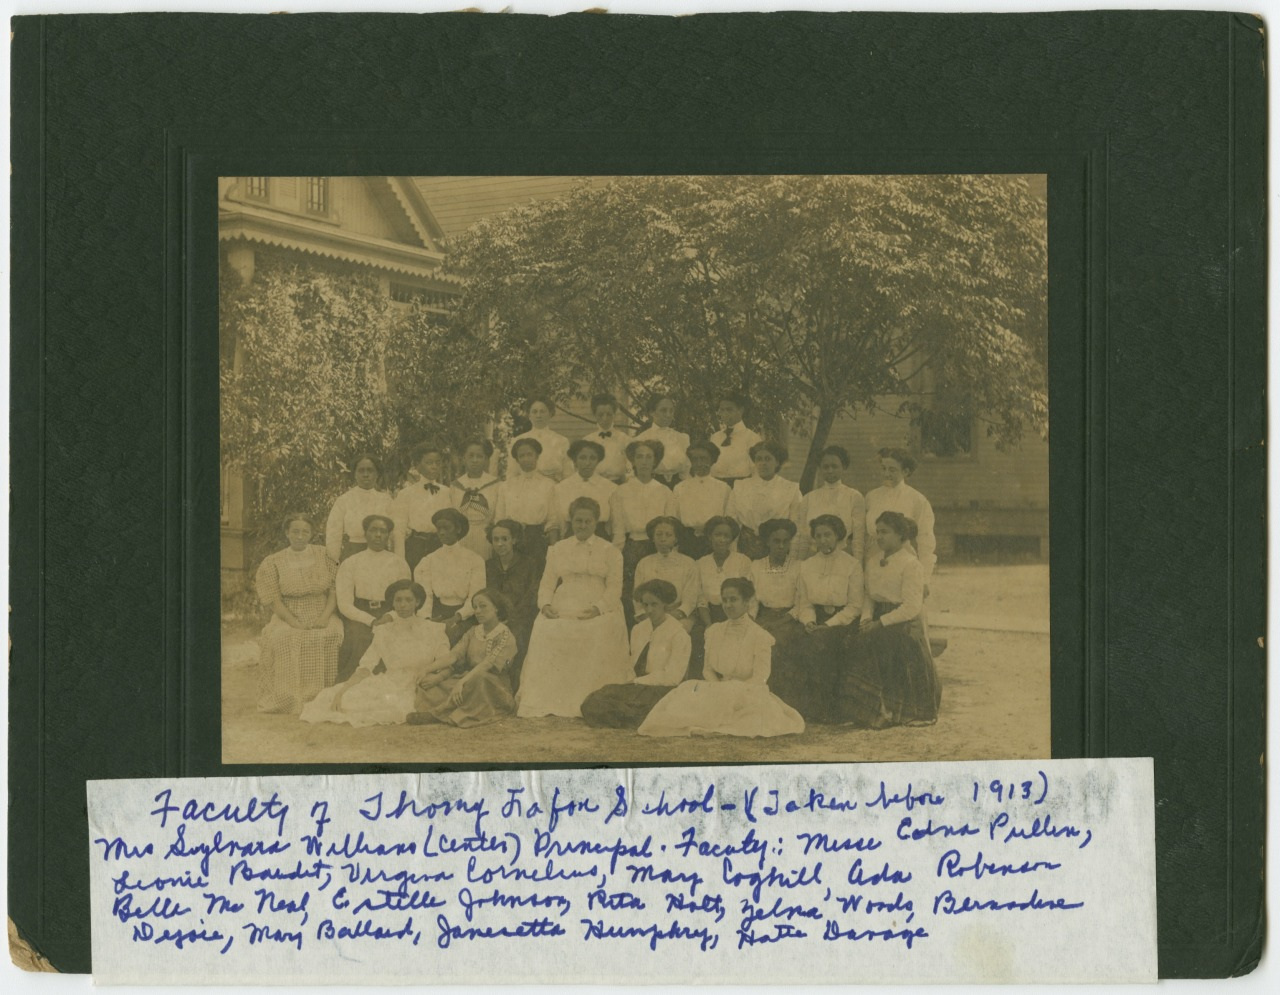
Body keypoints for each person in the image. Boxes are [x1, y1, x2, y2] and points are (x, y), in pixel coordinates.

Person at [637, 578, 804, 738]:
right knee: (685, 693)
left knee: (753, 720)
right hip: (717, 690)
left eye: (733, 600)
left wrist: (732, 693)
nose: (728, 605)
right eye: (724, 600)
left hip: (748, 694)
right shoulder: (714, 631)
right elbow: (707, 670)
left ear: (746, 603)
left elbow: (760, 677)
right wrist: (719, 691)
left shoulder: (760, 636)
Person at [516, 497, 632, 718]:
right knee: (545, 628)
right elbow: (547, 583)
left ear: (596, 522)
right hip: (565, 601)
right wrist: (546, 605)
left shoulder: (610, 551)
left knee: (600, 629)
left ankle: (590, 698)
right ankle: (552, 698)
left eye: (588, 521)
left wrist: (599, 608)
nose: (582, 526)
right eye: (578, 521)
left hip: (598, 604)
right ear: (571, 521)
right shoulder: (558, 548)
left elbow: (615, 588)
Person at [835, 511, 941, 727]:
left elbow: (912, 606)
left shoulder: (911, 564)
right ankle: (865, 710)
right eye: (877, 532)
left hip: (902, 623)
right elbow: (869, 596)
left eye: (885, 532)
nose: (879, 537)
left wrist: (880, 623)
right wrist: (866, 619)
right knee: (854, 641)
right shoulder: (873, 562)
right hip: (877, 618)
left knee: (883, 644)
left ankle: (901, 711)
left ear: (901, 535)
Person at [300, 580, 451, 727]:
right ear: (392, 603)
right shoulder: (383, 631)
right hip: (391, 683)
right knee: (338, 699)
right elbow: (366, 666)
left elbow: (447, 661)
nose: (403, 605)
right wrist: (343, 690)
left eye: (408, 600)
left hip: (420, 685)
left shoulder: (434, 629)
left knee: (390, 708)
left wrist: (436, 677)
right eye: (398, 600)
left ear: (417, 602)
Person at [770, 515, 864, 723]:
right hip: (814, 619)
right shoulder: (807, 565)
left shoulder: (852, 565)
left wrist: (828, 625)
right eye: (819, 536)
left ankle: (829, 709)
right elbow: (805, 603)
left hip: (843, 621)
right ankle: (798, 707)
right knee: (787, 642)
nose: (823, 540)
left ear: (838, 536)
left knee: (822, 645)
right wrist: (810, 622)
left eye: (828, 535)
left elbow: (855, 606)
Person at [254, 514, 344, 714]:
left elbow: (334, 591)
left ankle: (322, 696)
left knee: (332, 635)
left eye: (305, 532)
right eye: (295, 531)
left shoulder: (325, 556)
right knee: (284, 638)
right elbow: (274, 600)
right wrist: (293, 621)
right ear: (287, 533)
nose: (300, 536)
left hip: (322, 611)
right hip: (288, 614)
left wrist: (324, 617)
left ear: (312, 534)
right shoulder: (274, 562)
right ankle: (289, 698)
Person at [581, 580, 692, 729]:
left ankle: (638, 717)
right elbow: (631, 664)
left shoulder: (678, 634)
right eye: (645, 605)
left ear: (665, 605)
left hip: (660, 689)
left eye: (654, 604)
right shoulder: (639, 629)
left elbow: (673, 677)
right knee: (593, 700)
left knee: (641, 706)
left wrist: (639, 682)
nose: (649, 610)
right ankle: (635, 718)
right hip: (636, 688)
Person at [413, 589, 519, 727]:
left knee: (479, 679)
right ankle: (449, 710)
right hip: (470, 679)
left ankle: (438, 713)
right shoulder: (473, 631)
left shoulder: (505, 635)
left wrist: (462, 682)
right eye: (475, 607)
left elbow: (487, 665)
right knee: (432, 683)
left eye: (483, 606)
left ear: (496, 608)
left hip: (492, 685)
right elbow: (453, 656)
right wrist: (427, 669)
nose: (478, 611)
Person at [333, 514, 410, 680]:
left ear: (388, 535)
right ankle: (352, 688)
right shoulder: (351, 563)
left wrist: (390, 616)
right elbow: (344, 604)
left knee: (394, 639)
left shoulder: (399, 563)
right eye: (373, 530)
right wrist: (371, 621)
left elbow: (406, 598)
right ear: (365, 534)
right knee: (359, 638)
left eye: (383, 531)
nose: (378, 535)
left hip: (391, 613)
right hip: (359, 615)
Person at [611, 439, 676, 620]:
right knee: (633, 595)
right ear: (633, 461)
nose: (644, 461)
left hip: (658, 547)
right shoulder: (621, 491)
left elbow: (670, 527)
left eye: (649, 457)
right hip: (632, 548)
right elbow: (618, 530)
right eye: (640, 457)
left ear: (655, 461)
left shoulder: (665, 492)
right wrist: (616, 557)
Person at [410, 507, 487, 645]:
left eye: (447, 528)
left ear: (458, 529)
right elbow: (425, 595)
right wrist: (427, 619)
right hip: (437, 613)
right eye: (439, 529)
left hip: (467, 615)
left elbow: (475, 597)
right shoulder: (429, 560)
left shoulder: (475, 560)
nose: (442, 533)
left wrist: (457, 617)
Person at [864, 447, 937, 587]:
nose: (886, 474)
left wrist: (924, 579)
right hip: (873, 561)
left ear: (905, 472)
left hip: (903, 564)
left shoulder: (917, 500)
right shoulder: (871, 497)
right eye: (883, 468)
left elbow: (926, 542)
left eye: (892, 470)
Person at [484, 520, 539, 688]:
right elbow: (487, 595)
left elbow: (531, 595)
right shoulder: (489, 565)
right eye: (496, 539)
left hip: (522, 617)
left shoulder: (529, 564)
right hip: (496, 617)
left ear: (514, 540)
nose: (500, 544)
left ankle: (514, 687)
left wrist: (513, 618)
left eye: (504, 539)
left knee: (518, 638)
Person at [726, 441, 802, 559]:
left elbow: (796, 525)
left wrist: (792, 555)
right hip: (745, 549)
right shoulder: (740, 486)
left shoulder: (790, 489)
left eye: (768, 459)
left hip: (777, 548)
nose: (763, 463)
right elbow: (731, 520)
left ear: (777, 462)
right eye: (759, 459)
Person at [493, 437, 558, 569]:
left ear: (537, 456)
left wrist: (553, 549)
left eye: (530, 454)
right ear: (517, 460)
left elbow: (553, 519)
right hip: (512, 540)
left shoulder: (549, 485)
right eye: (521, 456)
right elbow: (499, 518)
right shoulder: (506, 486)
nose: (526, 459)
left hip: (537, 540)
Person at [794, 445, 866, 561]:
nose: (830, 471)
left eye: (835, 466)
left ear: (843, 467)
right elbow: (802, 538)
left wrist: (858, 566)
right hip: (814, 558)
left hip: (842, 559)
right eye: (825, 467)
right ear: (820, 468)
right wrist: (797, 564)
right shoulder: (808, 498)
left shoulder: (854, 497)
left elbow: (858, 539)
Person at [390, 442, 452, 571]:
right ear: (418, 466)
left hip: (439, 546)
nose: (434, 467)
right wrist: (400, 561)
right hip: (416, 547)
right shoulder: (406, 494)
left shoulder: (447, 493)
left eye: (438, 462)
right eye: (429, 463)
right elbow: (399, 531)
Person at [631, 516, 699, 632]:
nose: (663, 539)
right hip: (650, 616)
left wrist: (667, 618)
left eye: (668, 535)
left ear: (676, 539)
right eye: (659, 534)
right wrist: (648, 617)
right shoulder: (644, 563)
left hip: (679, 617)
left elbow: (690, 600)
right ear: (653, 537)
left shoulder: (689, 563)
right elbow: (637, 598)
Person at [325, 454, 394, 561]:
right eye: (361, 471)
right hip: (353, 552)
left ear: (377, 474)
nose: (365, 475)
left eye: (370, 470)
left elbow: (394, 533)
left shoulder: (386, 500)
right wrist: (334, 560)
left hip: (380, 554)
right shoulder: (344, 500)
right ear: (355, 474)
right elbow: (333, 533)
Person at [748, 518, 804, 649]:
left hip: (789, 620)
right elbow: (752, 600)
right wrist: (751, 621)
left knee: (777, 642)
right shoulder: (756, 566)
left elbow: (802, 602)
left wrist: (780, 622)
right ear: (767, 542)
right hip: (763, 617)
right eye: (776, 541)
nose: (781, 546)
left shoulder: (799, 567)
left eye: (786, 542)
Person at [672, 440, 730, 560]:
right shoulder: (680, 488)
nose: (699, 463)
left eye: (704, 459)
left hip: (713, 541)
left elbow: (727, 517)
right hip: (688, 541)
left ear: (712, 460)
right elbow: (675, 518)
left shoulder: (723, 488)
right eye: (695, 459)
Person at [696, 516, 754, 628]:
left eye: (726, 536)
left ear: (732, 539)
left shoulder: (743, 561)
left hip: (737, 614)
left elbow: (749, 596)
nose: (722, 540)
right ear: (710, 537)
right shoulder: (700, 563)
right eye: (717, 535)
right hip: (708, 615)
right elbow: (701, 598)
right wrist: (709, 625)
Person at [552, 439, 617, 539]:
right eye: (582, 458)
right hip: (571, 537)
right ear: (575, 461)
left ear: (598, 461)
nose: (587, 463)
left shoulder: (610, 488)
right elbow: (559, 522)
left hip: (600, 537)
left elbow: (614, 524)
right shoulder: (562, 487)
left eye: (592, 458)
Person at [451, 438, 500, 560]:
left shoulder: (496, 485)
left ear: (486, 460)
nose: (475, 460)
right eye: (470, 456)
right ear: (463, 459)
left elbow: (499, 515)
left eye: (479, 456)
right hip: (462, 538)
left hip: (486, 537)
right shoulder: (455, 486)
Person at [505, 396, 570, 481]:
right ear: (529, 415)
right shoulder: (518, 440)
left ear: (550, 414)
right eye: (534, 412)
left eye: (542, 411)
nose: (538, 415)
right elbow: (512, 474)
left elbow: (568, 475)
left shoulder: (561, 441)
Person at [633, 395, 691, 487]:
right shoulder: (641, 439)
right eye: (663, 410)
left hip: (679, 487)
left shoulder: (682, 438)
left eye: (671, 411)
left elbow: (687, 468)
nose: (668, 415)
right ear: (652, 412)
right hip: (652, 487)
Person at [709, 392, 763, 483]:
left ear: (740, 410)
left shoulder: (752, 438)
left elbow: (757, 471)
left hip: (741, 488)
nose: (725, 414)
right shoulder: (715, 437)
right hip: (717, 488)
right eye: (722, 410)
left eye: (729, 410)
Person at [579, 393, 631, 483]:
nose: (605, 418)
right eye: (600, 414)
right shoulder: (587, 441)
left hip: (619, 484)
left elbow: (632, 467)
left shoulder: (625, 439)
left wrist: (626, 479)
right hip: (595, 485)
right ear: (594, 415)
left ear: (614, 414)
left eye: (609, 414)